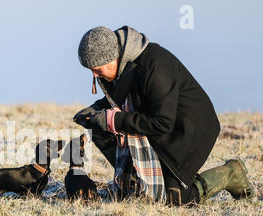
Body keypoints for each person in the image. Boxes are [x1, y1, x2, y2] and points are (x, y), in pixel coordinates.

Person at [74, 26, 254, 206]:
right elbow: (121, 100)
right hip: (159, 130)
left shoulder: (155, 66)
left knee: (175, 199)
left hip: (188, 130)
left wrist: (112, 119)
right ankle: (135, 181)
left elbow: (162, 121)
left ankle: (231, 173)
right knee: (98, 126)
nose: (94, 75)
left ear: (113, 57)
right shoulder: (122, 68)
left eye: (97, 69)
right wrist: (95, 110)